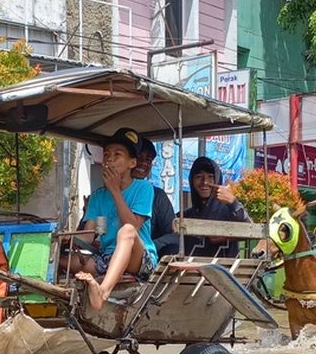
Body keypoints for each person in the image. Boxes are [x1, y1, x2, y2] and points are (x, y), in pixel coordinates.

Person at [68, 127, 158, 310]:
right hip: (106, 259)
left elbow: (133, 226)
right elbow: (91, 234)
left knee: (127, 231)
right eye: (107, 154)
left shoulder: (143, 188)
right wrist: (64, 239)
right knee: (61, 257)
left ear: (132, 163)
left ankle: (103, 292)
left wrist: (115, 191)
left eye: (117, 155)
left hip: (139, 259)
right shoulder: (99, 196)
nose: (109, 159)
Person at [180, 156, 252, 257]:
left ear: (218, 180)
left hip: (224, 270)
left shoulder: (229, 209)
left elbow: (249, 228)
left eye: (210, 177)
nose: (205, 182)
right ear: (192, 181)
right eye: (199, 177)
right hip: (191, 271)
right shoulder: (186, 215)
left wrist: (232, 202)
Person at [132, 138, 179, 256]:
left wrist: (149, 247)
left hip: (144, 260)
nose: (143, 163)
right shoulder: (106, 194)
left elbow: (174, 236)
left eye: (148, 159)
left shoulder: (157, 196)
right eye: (139, 157)